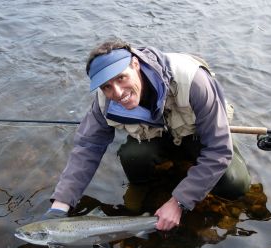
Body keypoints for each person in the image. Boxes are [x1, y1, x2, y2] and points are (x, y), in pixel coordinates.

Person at [44, 38, 250, 231]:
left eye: (121, 77)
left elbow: (218, 150)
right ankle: (141, 187)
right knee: (133, 156)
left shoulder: (193, 80)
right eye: (106, 86)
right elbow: (87, 147)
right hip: (157, 136)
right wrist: (60, 205)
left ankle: (189, 179)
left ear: (135, 64)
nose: (117, 92)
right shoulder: (103, 102)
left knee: (234, 184)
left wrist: (179, 202)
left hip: (196, 135)